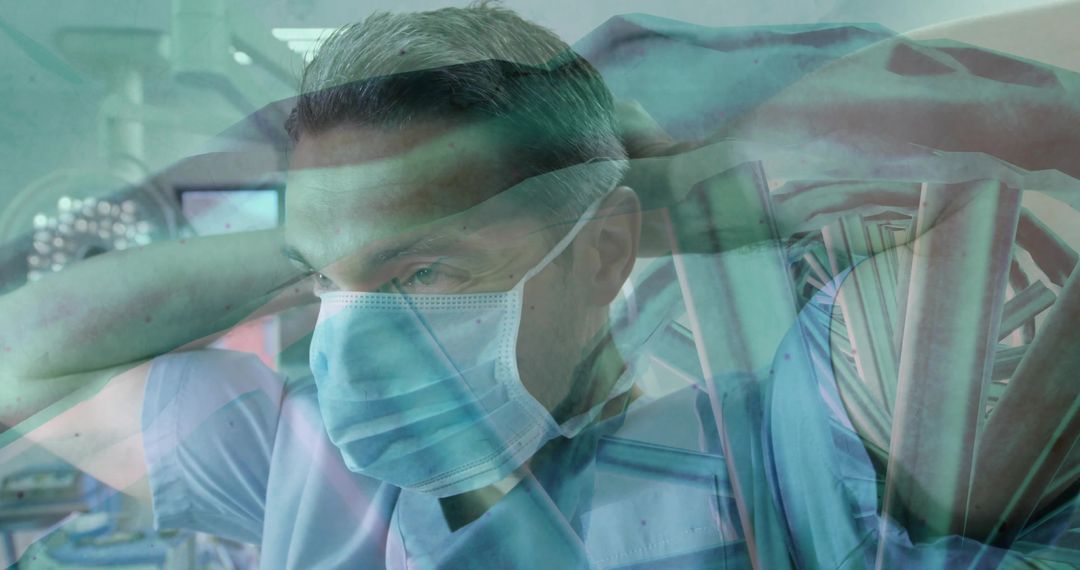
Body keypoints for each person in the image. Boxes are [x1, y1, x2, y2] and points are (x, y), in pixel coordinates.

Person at [2, 2, 1079, 568]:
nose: (359, 339)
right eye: (331, 287)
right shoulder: (303, 460)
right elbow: (19, 357)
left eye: (427, 270)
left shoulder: (769, 456)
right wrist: (317, 239)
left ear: (606, 254)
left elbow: (1007, 133)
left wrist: (697, 182)